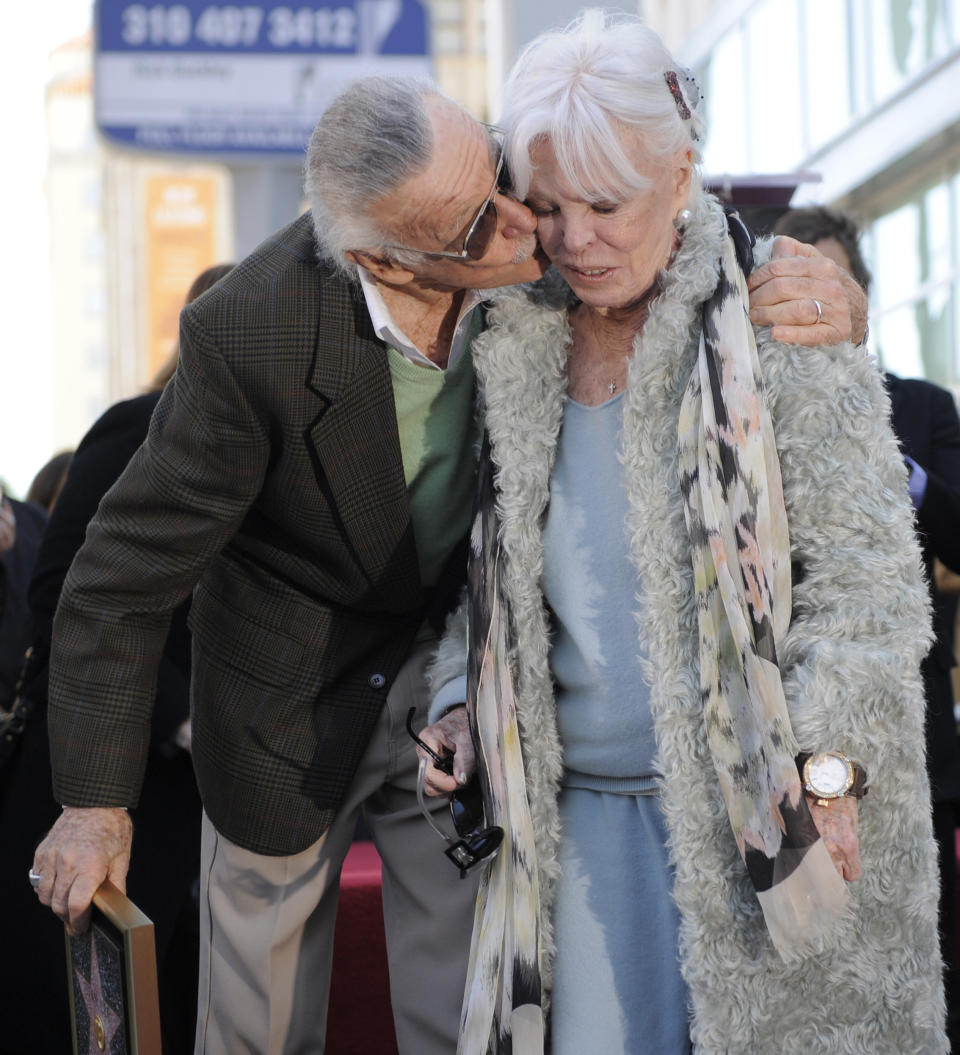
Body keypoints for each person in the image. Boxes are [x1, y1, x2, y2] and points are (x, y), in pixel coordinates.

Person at [31, 74, 870, 1055]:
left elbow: (655, 213)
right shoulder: (248, 332)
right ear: (382, 256)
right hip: (283, 700)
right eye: (477, 225)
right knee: (256, 1028)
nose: (526, 224)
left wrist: (815, 284)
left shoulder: (516, 208)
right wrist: (93, 803)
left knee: (468, 1014)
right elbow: (120, 573)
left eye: (501, 173)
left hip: (462, 682)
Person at [418, 13, 945, 1054]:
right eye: (551, 206)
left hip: (772, 832)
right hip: (576, 842)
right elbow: (486, 591)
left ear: (682, 173)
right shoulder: (509, 343)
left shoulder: (780, 316)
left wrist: (828, 772)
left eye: (607, 204)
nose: (575, 240)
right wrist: (458, 704)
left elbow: (873, 591)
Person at [0, 263, 233, 1055]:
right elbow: (61, 586)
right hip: (92, 781)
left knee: (170, 1000)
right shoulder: (136, 426)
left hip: (201, 800)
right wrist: (182, 716)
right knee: (67, 1009)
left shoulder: (272, 447)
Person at [775, 203, 960, 1052]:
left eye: (828, 279)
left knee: (926, 955)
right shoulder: (743, 413)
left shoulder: (923, 407)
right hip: (790, 740)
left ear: (861, 298)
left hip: (915, 736)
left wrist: (883, 462)